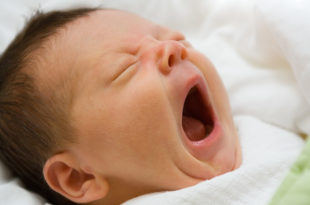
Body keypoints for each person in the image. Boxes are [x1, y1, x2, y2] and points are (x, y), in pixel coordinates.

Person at [0, 8, 242, 205]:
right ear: (79, 177)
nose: (172, 48)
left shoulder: (263, 127)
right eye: (125, 68)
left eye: (171, 37)